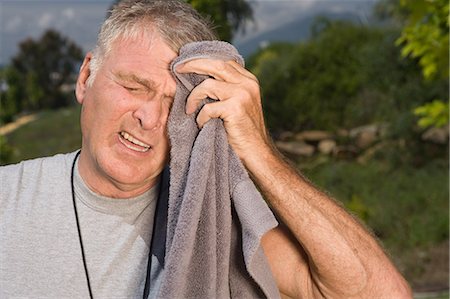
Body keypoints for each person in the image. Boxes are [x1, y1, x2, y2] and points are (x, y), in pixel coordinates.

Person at [0, 0, 412, 298]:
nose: (150, 117)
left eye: (175, 105)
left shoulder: (213, 227)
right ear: (86, 77)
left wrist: (259, 152)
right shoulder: (8, 198)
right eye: (132, 86)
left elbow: (380, 293)